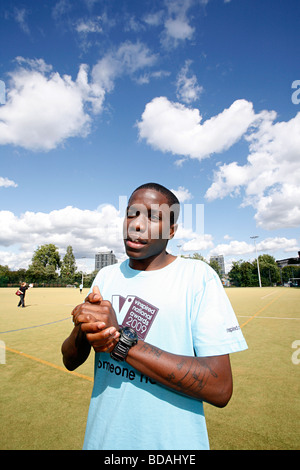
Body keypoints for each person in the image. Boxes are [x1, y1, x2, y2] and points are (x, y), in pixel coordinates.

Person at [61, 182, 247, 450]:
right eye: (131, 213)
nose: (136, 224)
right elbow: (70, 360)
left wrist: (120, 340)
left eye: (153, 217)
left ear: (172, 230)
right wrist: (82, 327)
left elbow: (219, 388)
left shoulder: (198, 277)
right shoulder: (106, 276)